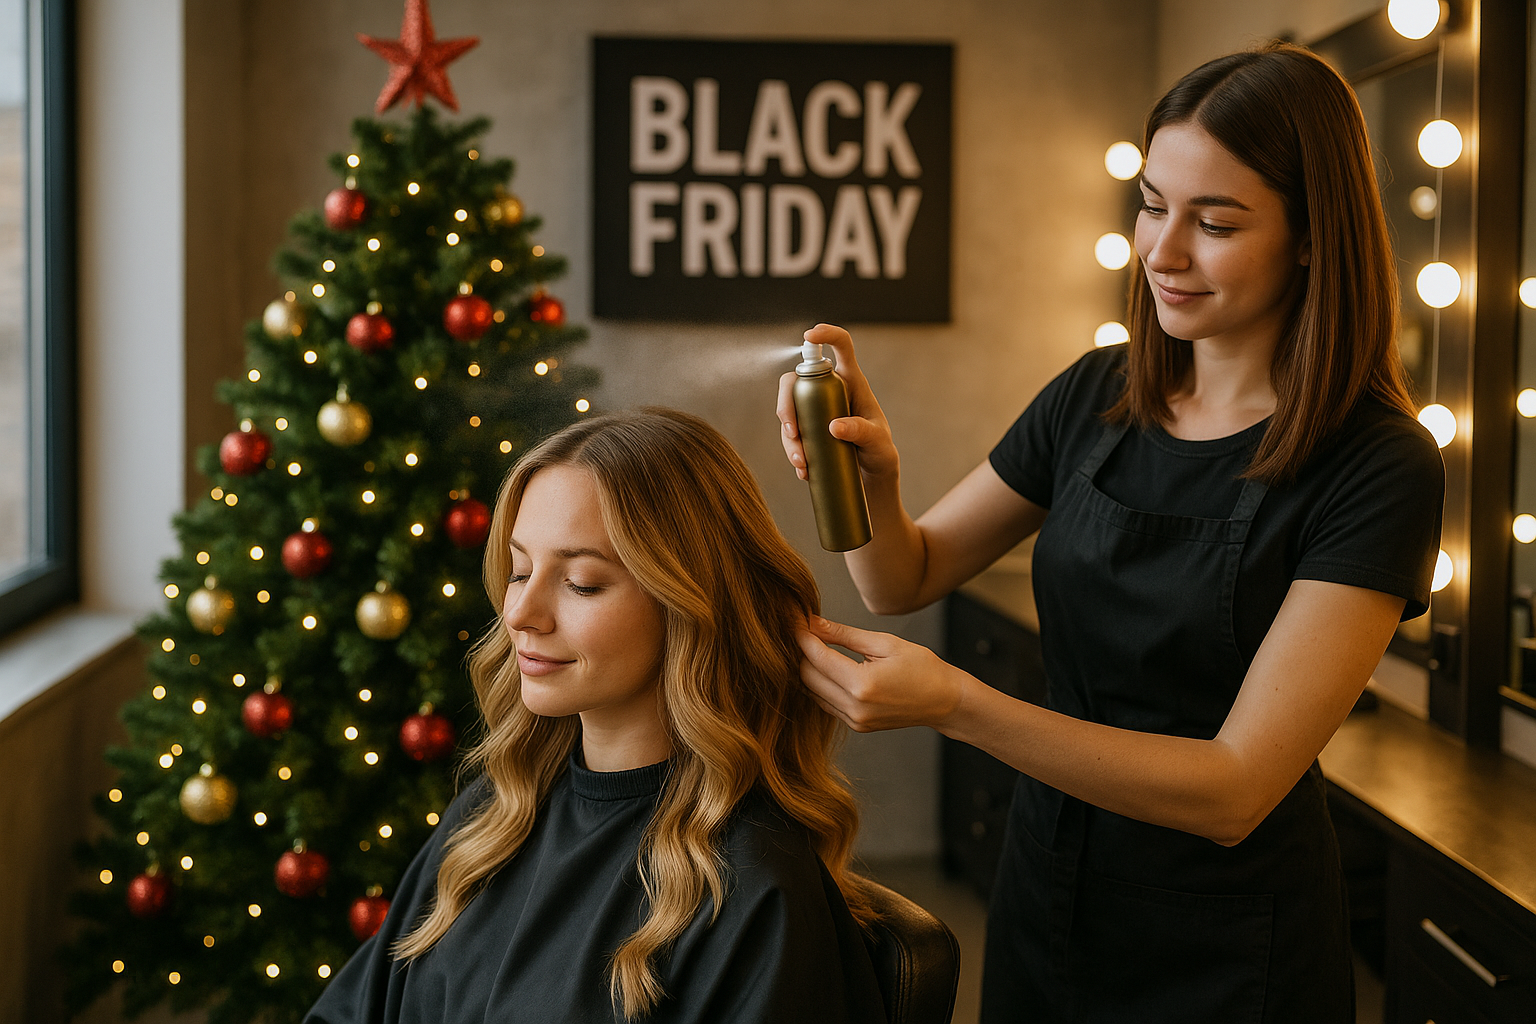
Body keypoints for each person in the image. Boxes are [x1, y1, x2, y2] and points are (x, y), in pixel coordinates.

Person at [776, 42, 1443, 1024]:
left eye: (1215, 222)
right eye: (1153, 204)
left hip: (1232, 945)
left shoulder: (1377, 464)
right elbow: (901, 576)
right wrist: (875, 479)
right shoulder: (1100, 392)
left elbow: (1234, 788)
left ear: (1313, 236)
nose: (1163, 251)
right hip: (1053, 891)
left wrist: (958, 703)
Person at [307, 409, 887, 1024]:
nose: (522, 613)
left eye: (581, 583)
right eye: (520, 570)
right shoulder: (492, 817)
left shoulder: (750, 889)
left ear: (688, 604)